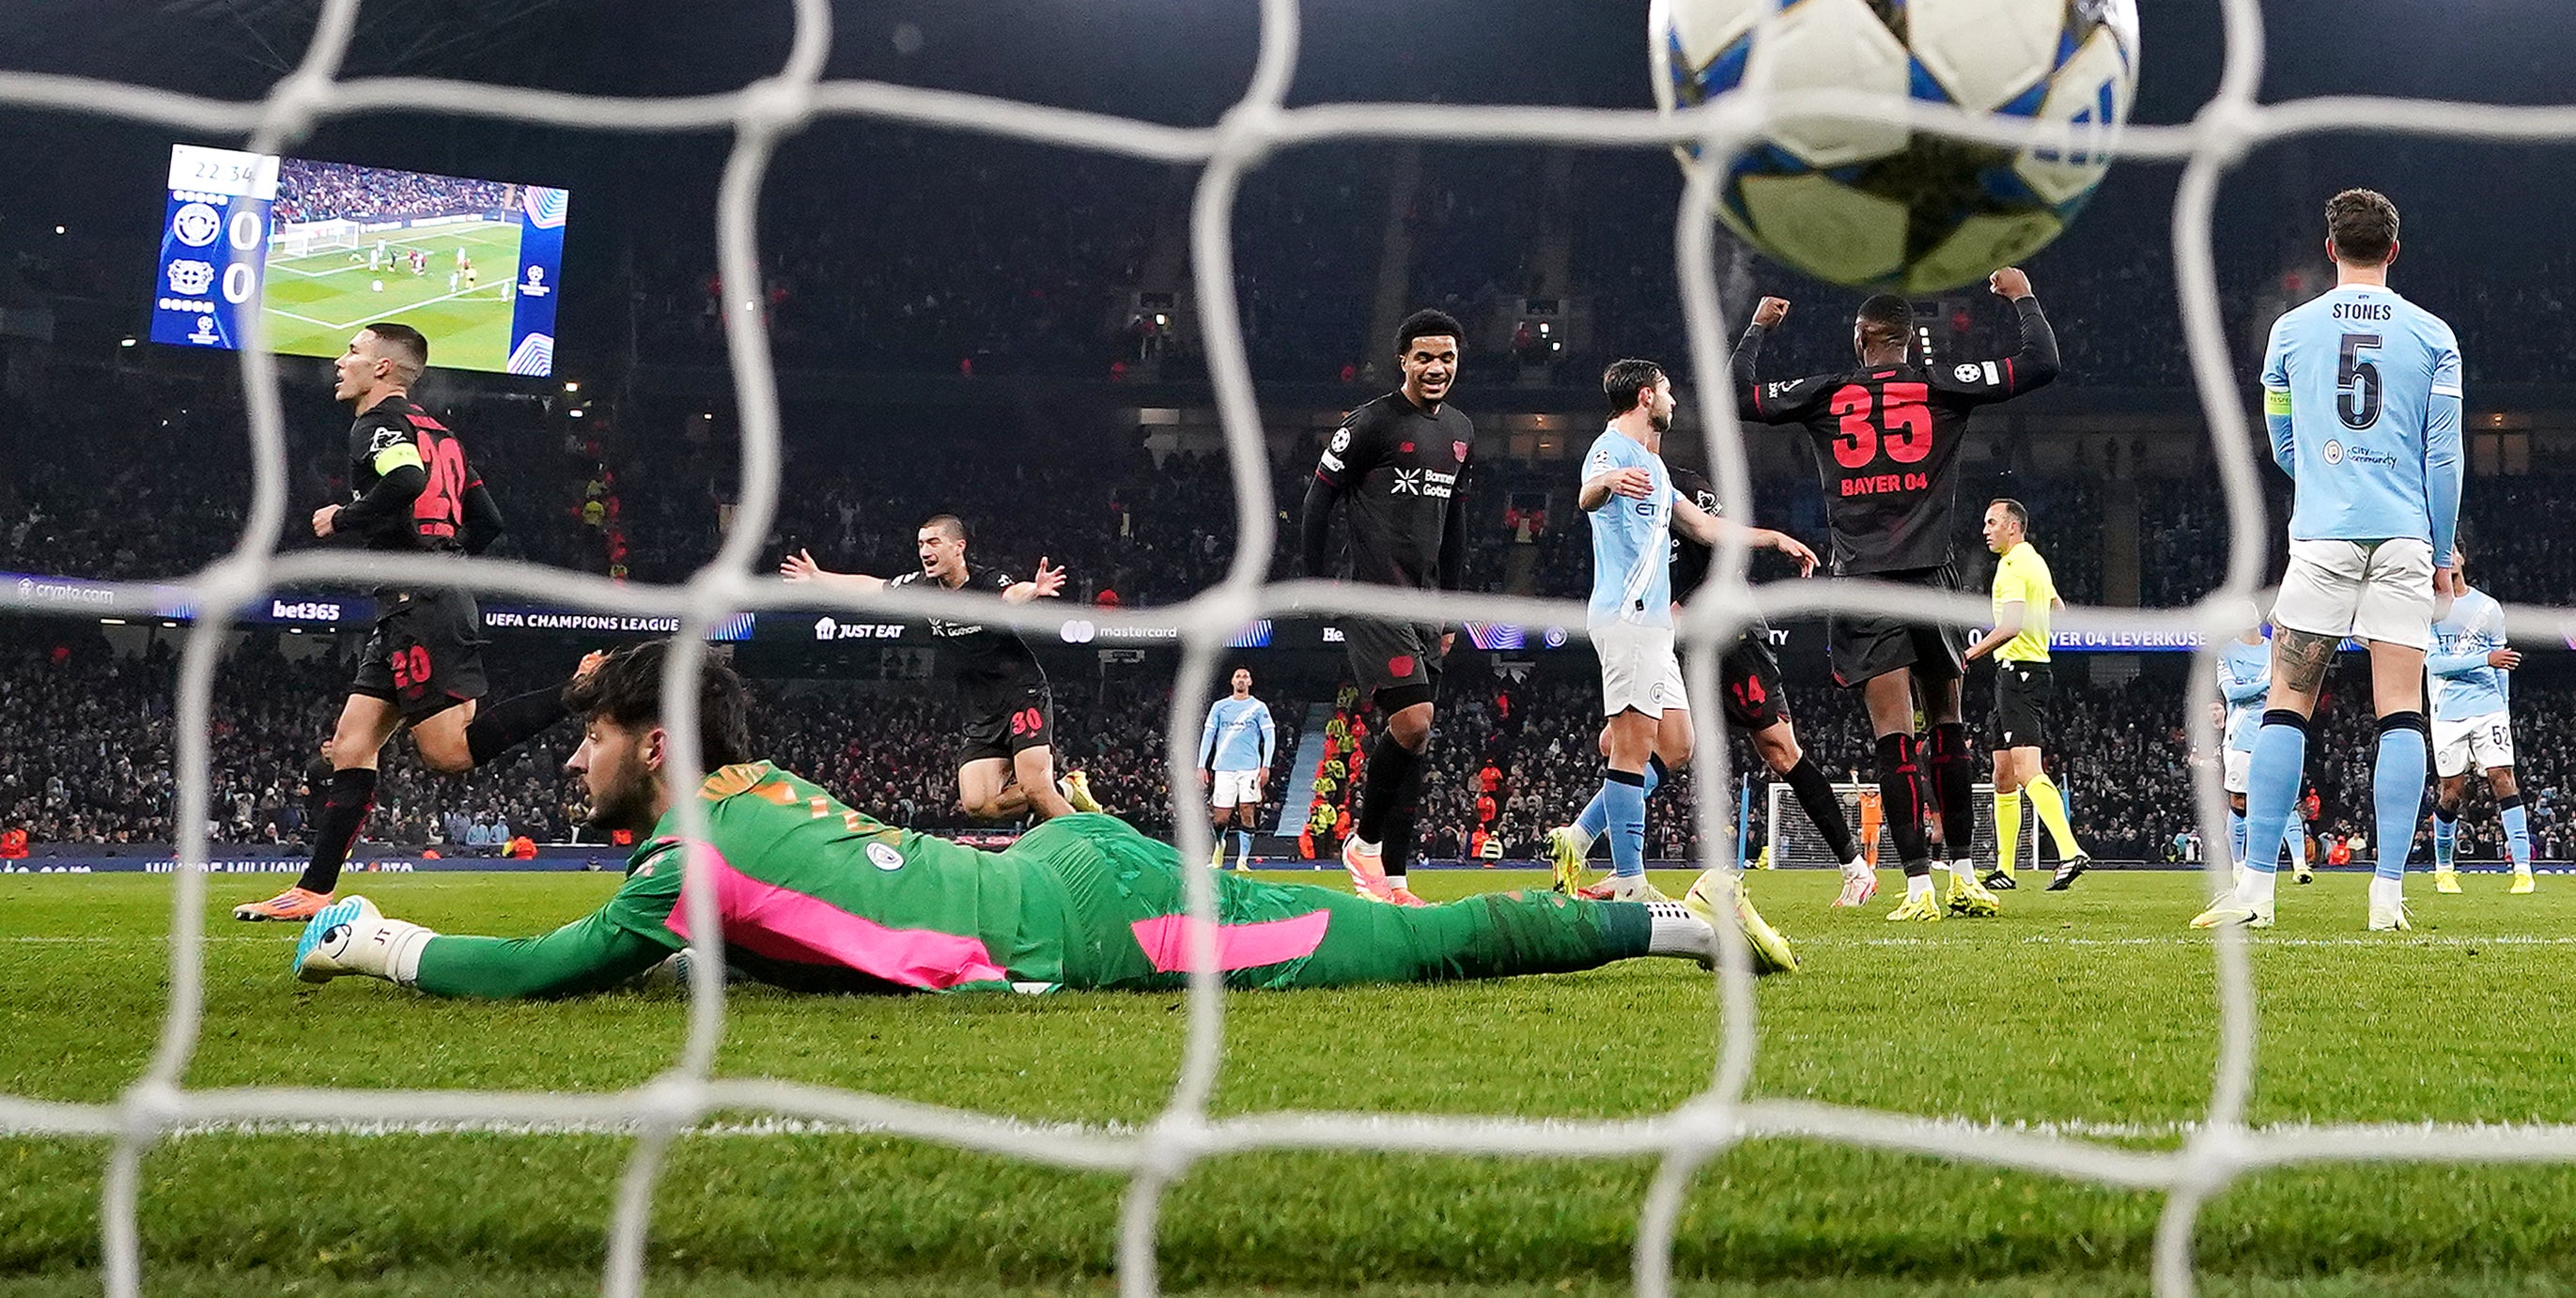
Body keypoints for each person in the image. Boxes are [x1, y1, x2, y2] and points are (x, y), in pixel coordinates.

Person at [290, 643, 1796, 996]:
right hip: (1059, 857)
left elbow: (550, 966)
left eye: (595, 734)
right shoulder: (761, 797)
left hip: (1097, 919)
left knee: (1410, 952)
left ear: (655, 742)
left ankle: (1669, 920)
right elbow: (807, 912)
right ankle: (1660, 918)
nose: (572, 762)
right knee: (1385, 924)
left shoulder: (687, 859)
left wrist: (379, 934)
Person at [1732, 268, 2060, 923]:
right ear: (1911, 339)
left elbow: (1738, 396)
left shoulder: (1827, 393)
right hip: (1933, 581)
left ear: (1862, 340)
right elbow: (2041, 362)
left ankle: (1918, 888)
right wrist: (2023, 294)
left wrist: (1758, 329)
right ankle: (1966, 874)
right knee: (1949, 726)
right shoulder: (1941, 385)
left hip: (1864, 583)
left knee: (1893, 737)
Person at [2196, 189, 2463, 934]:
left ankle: (2255, 895)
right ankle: (2386, 898)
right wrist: (2441, 553)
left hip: (2321, 534)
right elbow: (2444, 457)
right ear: (2395, 249)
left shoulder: (2290, 330)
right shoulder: (2434, 334)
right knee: (2402, 711)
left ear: (2329, 248)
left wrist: (2322, 478)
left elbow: (2281, 442)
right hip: (2406, 534)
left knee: (2288, 700)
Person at [235, 325, 567, 921]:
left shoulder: (377, 424)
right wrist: (441, 555)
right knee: (351, 745)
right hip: (414, 603)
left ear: (384, 368)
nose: (341, 362)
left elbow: (406, 479)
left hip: (424, 607)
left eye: (354, 353)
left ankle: (580, 691)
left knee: (448, 755)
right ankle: (313, 890)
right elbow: (487, 522)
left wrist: (345, 517)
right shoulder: (444, 436)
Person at [1544, 363, 1824, 920]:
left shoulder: (1655, 466)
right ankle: (1630, 883)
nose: (1674, 400)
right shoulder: (1612, 448)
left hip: (1655, 627)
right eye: (1668, 391)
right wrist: (1606, 485)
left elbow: (1703, 528)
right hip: (1628, 618)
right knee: (1630, 750)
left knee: (1676, 744)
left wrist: (1773, 539)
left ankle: (1576, 840)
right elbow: (1587, 493)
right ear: (1647, 396)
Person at [1299, 309, 1474, 906]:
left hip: (1426, 605)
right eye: (1424, 357)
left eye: (1446, 357)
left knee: (1417, 742)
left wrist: (1447, 606)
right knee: (1414, 721)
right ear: (1403, 360)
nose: (1436, 368)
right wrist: (1316, 582)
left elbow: (1455, 525)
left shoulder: (1461, 430)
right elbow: (1317, 501)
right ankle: (1363, 842)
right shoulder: (1368, 424)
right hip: (1373, 595)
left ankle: (1394, 880)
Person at [781, 517, 1090, 824]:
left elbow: (1012, 595)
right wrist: (819, 577)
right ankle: (1066, 789)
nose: (924, 550)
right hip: (979, 708)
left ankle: (1098, 849)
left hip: (1021, 694)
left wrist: (1034, 590)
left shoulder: (986, 582)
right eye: (920, 544)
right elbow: (872, 587)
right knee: (979, 805)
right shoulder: (921, 587)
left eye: (932, 542)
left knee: (1036, 789)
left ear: (959, 547)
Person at [1963, 499, 2088, 891]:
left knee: (2026, 769)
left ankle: (2070, 852)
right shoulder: (2035, 560)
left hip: (2020, 672)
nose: (1985, 529)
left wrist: (1967, 655)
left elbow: (2012, 626)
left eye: (1992, 523)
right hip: (2019, 672)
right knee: (2002, 773)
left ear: (2013, 527)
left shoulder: (2013, 567)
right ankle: (2005, 870)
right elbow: (2058, 607)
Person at [2428, 544, 2532, 895]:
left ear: (2463, 558)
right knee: (2451, 794)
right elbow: (2435, 665)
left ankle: (2523, 870)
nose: (2449, 558)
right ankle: (2444, 868)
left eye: (2453, 551)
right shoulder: (2431, 610)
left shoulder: (2488, 608)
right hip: (2449, 712)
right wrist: (2484, 659)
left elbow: (2505, 665)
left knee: (2504, 779)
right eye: (2442, 554)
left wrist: (2503, 706)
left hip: (2488, 708)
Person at [2213, 622, 2315, 887]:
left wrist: (2256, 686)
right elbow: (2232, 693)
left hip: (2274, 730)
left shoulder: (2275, 651)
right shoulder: (2226, 652)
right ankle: (2238, 865)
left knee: (2287, 800)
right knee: (2239, 801)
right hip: (2241, 734)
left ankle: (2300, 864)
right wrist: (2265, 685)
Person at [1198, 667, 1276, 873]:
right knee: (1221, 816)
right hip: (1224, 768)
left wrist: (1266, 765)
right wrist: (1201, 765)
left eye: (1245, 676)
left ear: (1250, 682)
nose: (1241, 679)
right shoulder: (1220, 707)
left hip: (1249, 768)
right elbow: (1208, 736)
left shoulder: (1258, 708)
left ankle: (1243, 859)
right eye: (1238, 676)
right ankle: (1219, 845)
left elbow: (1269, 737)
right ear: (1232, 681)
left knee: (1247, 810)